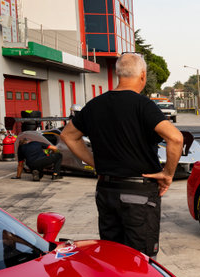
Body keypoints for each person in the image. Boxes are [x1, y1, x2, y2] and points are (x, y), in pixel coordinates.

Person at [60, 52, 183, 257]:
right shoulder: (143, 105)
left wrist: (96, 163)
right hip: (139, 194)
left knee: (112, 257)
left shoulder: (95, 105)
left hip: (107, 192)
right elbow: (176, 138)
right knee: (141, 261)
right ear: (142, 75)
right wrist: (167, 174)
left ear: (118, 74)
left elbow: (68, 135)